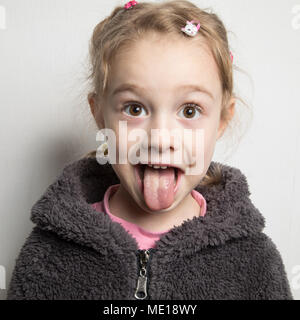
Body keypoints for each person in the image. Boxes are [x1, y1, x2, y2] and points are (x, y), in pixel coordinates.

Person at [7, 0, 293, 300]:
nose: (160, 139)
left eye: (190, 110)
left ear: (222, 119)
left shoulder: (254, 261)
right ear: (100, 116)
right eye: (134, 108)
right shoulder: (49, 255)